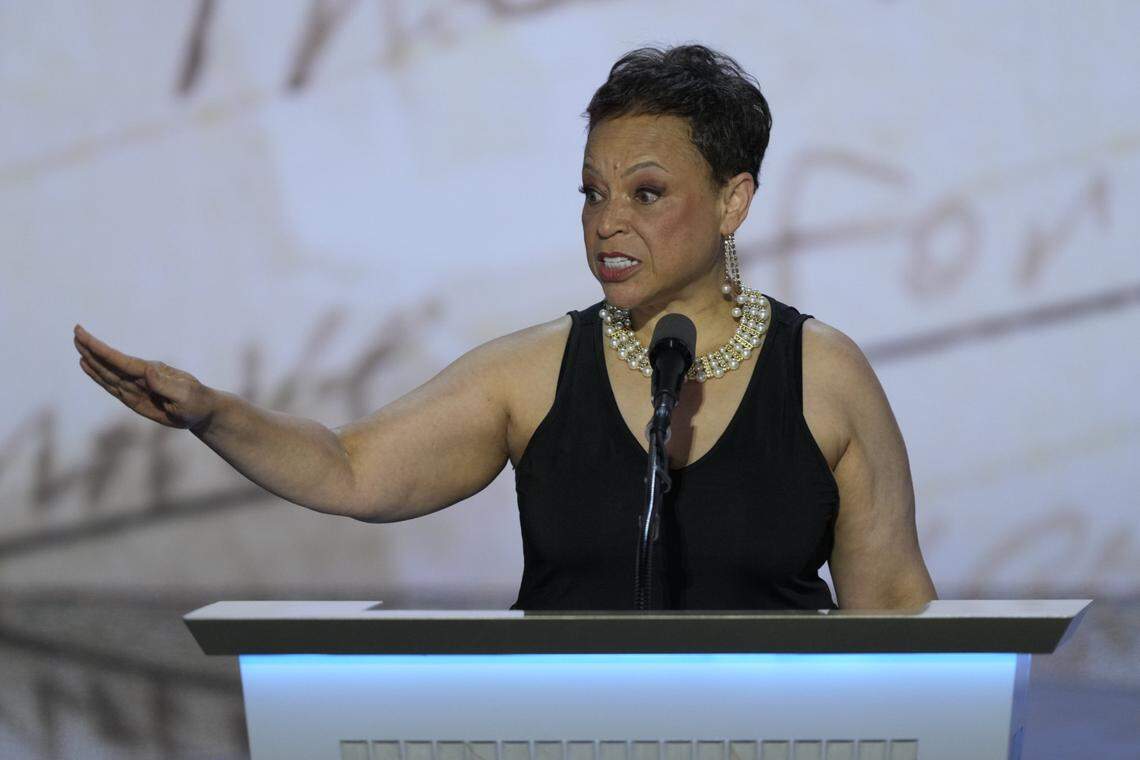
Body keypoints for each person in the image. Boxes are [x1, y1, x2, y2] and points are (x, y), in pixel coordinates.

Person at [72, 44, 937, 611]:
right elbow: (353, 468)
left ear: (732, 201)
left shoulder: (823, 377)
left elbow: (896, 613)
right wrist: (214, 415)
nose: (606, 223)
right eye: (591, 193)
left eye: (644, 193)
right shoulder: (530, 374)